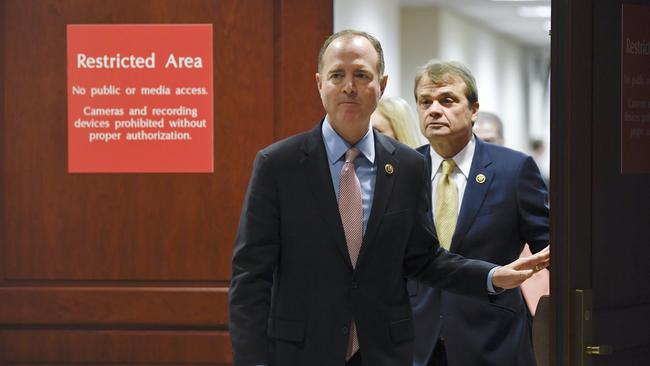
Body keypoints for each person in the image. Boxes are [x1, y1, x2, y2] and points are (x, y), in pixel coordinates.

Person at [228, 31, 549, 366]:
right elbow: (251, 277)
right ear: (319, 83)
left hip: (385, 352)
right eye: (337, 75)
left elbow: (424, 259)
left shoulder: (408, 166)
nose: (349, 86)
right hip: (302, 352)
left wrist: (492, 276)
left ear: (381, 85)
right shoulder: (278, 165)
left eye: (362, 75)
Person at [408, 60, 550, 366]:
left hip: (492, 339)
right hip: (419, 343)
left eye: (447, 100)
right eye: (425, 102)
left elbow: (549, 248)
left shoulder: (513, 169)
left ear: (473, 110)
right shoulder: (404, 170)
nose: (434, 110)